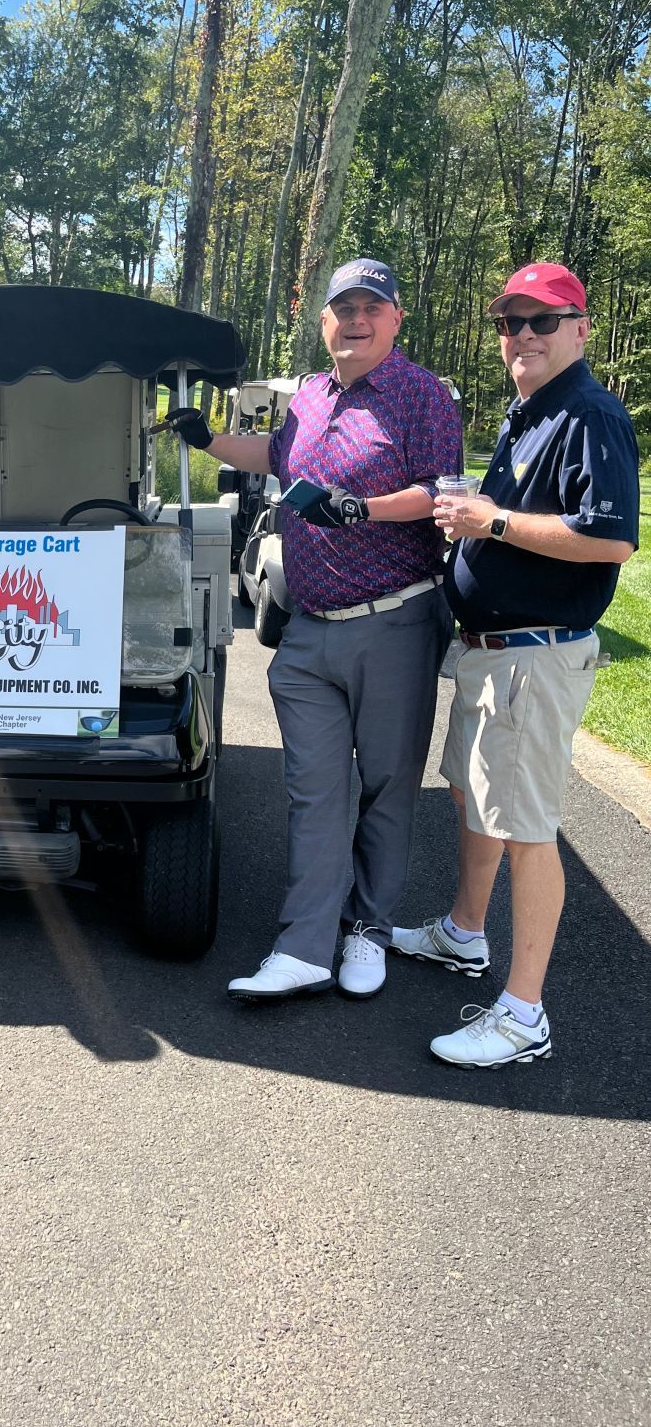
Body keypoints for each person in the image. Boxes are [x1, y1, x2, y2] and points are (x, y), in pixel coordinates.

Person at [170, 259, 462, 1000]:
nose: (356, 319)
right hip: (307, 631)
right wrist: (205, 439)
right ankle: (304, 946)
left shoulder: (421, 395)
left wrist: (362, 507)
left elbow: (440, 491)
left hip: (394, 620)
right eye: (343, 308)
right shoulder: (308, 397)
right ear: (323, 319)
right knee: (315, 791)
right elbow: (271, 457)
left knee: (388, 786)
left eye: (372, 307)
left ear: (396, 319)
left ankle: (366, 929)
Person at [393, 263, 639, 1067]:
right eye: (510, 322)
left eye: (541, 319)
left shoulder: (590, 414)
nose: (522, 335)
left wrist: (490, 522)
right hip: (491, 653)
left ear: (580, 327)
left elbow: (609, 539)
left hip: (535, 657)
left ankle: (523, 1012)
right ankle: (466, 933)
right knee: (475, 797)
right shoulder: (530, 411)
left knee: (528, 832)